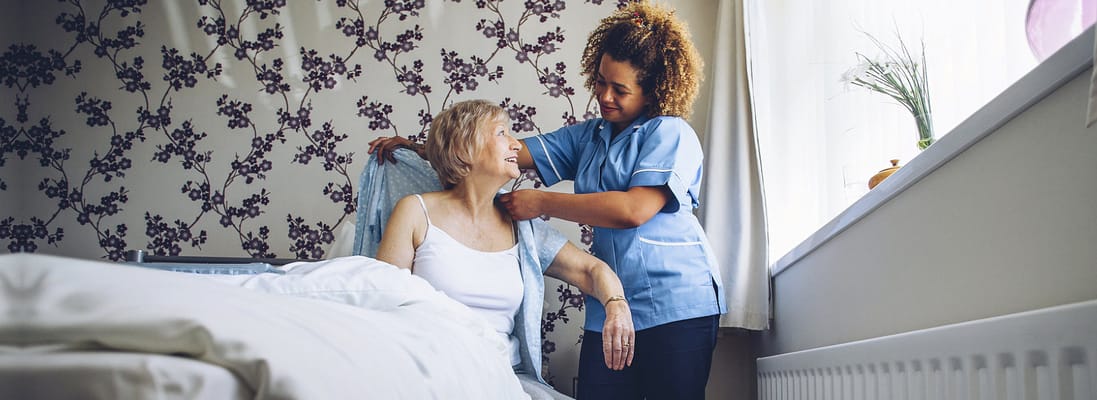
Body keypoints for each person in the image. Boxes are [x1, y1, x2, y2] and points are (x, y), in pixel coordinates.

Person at [369, 2, 724, 398]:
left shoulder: (670, 134)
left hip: (675, 302)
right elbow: (493, 152)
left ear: (654, 89)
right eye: (601, 81)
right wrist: (421, 148)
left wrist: (541, 203)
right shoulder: (589, 136)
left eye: (620, 89)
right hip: (606, 308)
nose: (604, 96)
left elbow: (633, 210)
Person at [371, 99, 635, 400]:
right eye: (501, 133)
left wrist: (616, 304)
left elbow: (591, 269)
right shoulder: (415, 212)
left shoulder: (521, 225)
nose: (515, 145)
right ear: (463, 149)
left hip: (503, 378)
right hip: (431, 373)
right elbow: (382, 301)